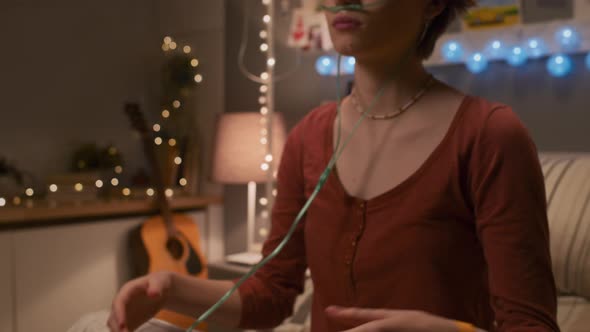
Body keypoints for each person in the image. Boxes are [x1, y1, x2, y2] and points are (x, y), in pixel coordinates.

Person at [108, 1, 560, 331]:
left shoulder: (490, 136)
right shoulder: (307, 137)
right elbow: (270, 294)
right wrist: (170, 289)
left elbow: (531, 325)